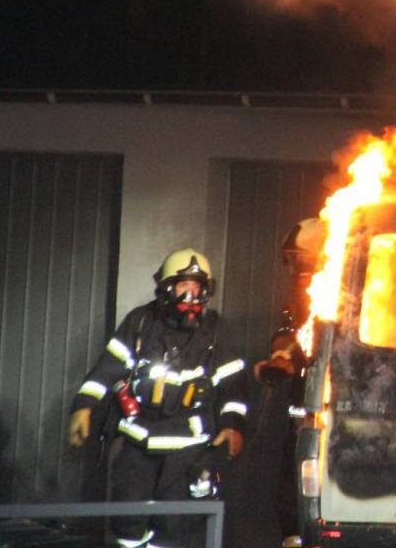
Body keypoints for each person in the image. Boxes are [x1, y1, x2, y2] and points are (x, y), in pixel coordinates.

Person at [68, 249, 248, 548]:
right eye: (183, 286)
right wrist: (83, 407)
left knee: (174, 526)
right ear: (166, 288)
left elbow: (233, 387)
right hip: (137, 444)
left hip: (188, 449)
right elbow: (107, 370)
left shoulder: (215, 332)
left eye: (198, 287)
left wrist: (232, 424)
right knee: (127, 520)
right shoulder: (140, 323)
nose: (191, 295)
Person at [251, 218, 325, 548]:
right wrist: (279, 357)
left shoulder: (346, 291)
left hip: (336, 407)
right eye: (294, 260)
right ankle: (293, 537)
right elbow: (291, 335)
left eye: (303, 259)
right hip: (302, 410)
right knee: (291, 477)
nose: (297, 268)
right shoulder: (302, 296)